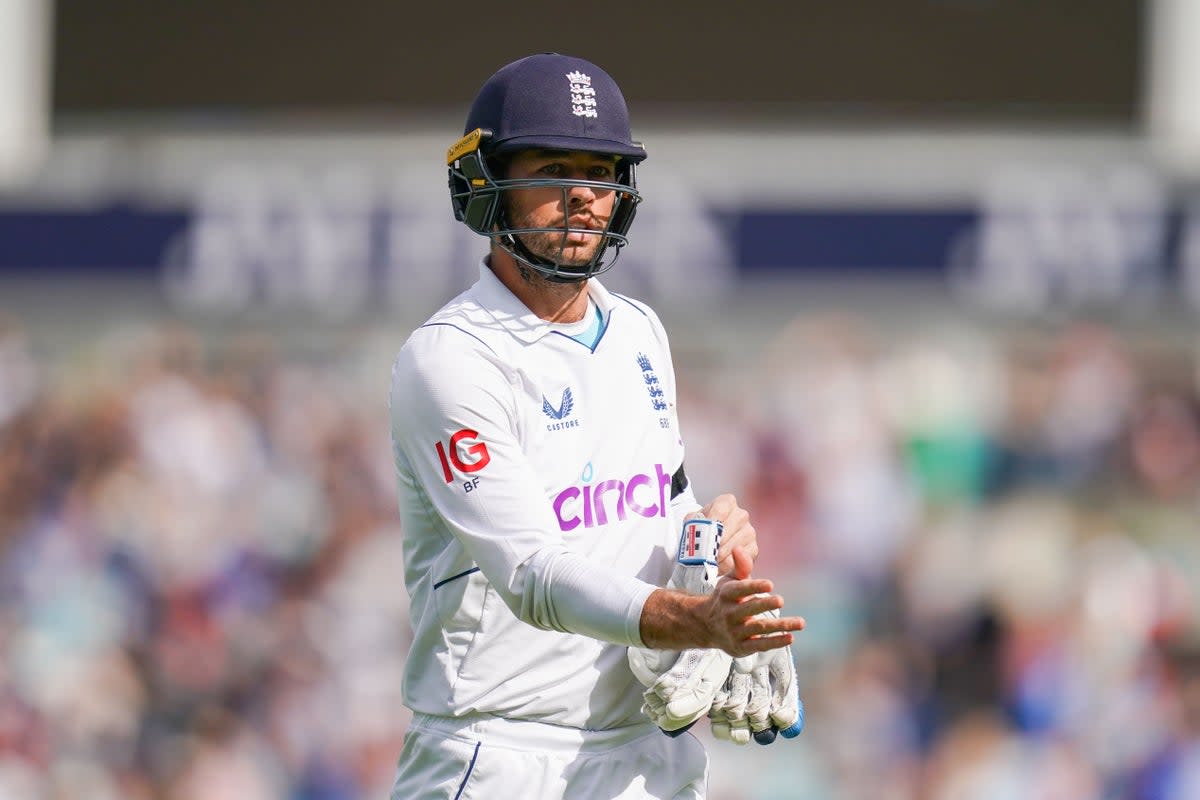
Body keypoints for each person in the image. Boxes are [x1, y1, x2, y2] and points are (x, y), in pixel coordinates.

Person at [388, 52, 806, 800]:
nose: (583, 195)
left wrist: (716, 558)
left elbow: (661, 502)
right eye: (551, 168)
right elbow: (533, 577)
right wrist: (691, 620)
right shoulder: (451, 358)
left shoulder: (639, 330)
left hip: (649, 759)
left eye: (602, 170)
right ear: (485, 183)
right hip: (500, 756)